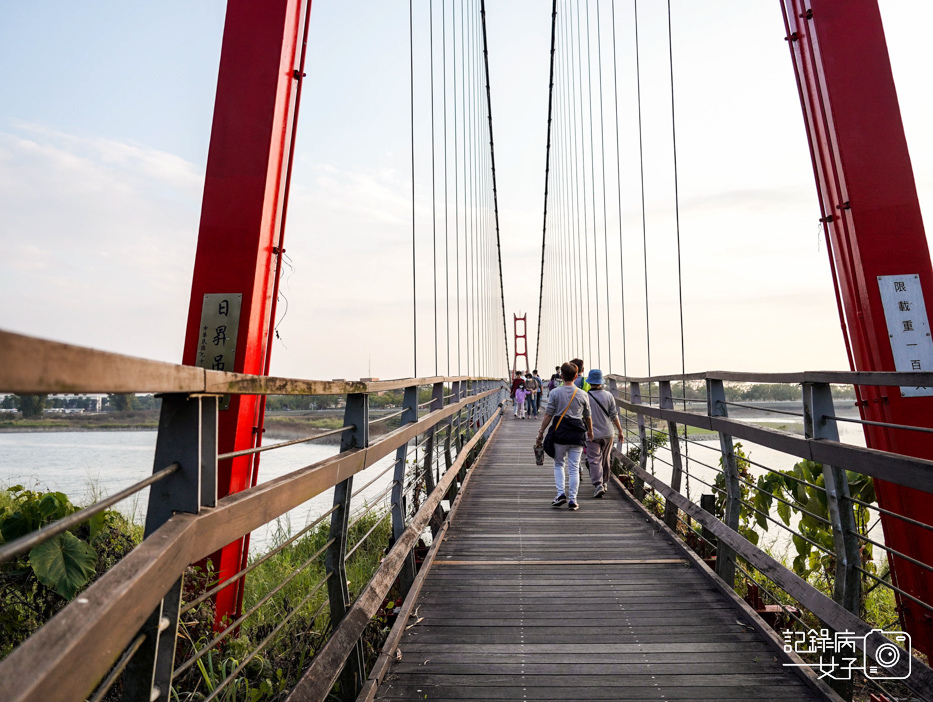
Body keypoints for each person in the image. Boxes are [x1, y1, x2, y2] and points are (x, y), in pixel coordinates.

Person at [536, 362, 593, 511]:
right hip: (577, 434)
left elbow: (548, 414)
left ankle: (560, 494)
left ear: (561, 375)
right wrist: (591, 432)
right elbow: (587, 416)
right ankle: (573, 500)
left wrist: (541, 432)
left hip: (560, 432)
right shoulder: (583, 394)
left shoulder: (555, 392)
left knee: (559, 464)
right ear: (576, 376)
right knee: (574, 467)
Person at [584, 369, 624, 498]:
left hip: (591, 433)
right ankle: (605, 482)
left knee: (594, 460)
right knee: (606, 458)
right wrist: (620, 431)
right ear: (601, 382)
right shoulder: (608, 395)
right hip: (608, 433)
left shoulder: (585, 396)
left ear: (589, 382)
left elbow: (582, 416)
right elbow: (614, 415)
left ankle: (598, 485)